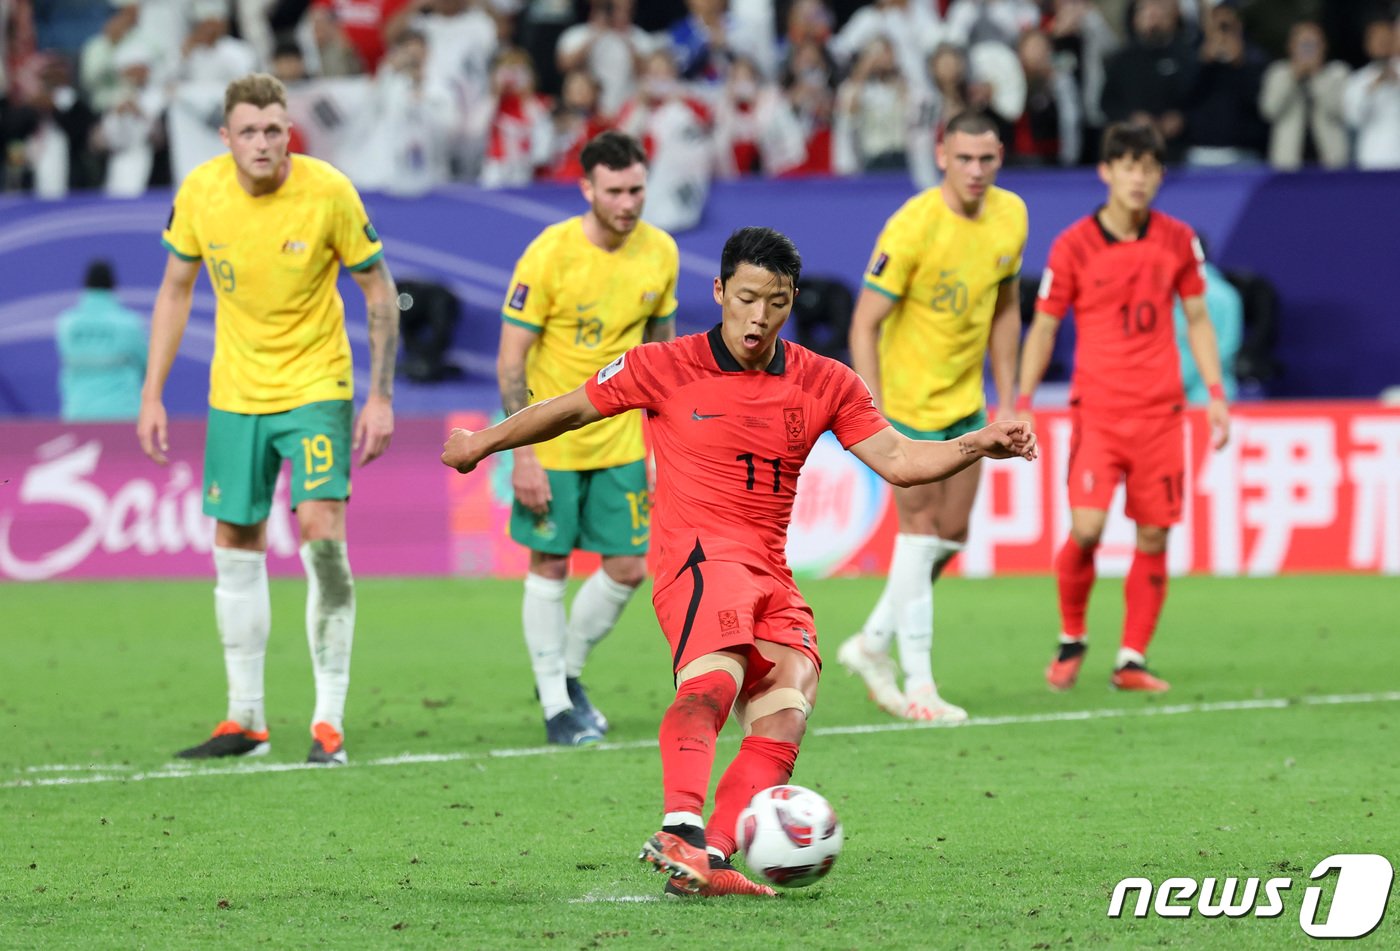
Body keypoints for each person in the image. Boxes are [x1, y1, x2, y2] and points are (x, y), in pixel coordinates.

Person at [442, 227, 1038, 897]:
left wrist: (978, 442)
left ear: (793, 301)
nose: (759, 316)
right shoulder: (662, 364)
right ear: (720, 290)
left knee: (788, 706)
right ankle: (679, 827)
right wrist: (482, 442)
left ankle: (712, 858)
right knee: (715, 679)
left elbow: (899, 460)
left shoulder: (825, 380)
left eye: (776, 302)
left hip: (769, 569)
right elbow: (572, 408)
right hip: (697, 555)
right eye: (747, 297)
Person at [137, 73, 399, 765]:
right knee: (236, 541)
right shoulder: (200, 191)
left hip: (317, 384)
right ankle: (246, 720)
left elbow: (379, 289)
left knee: (319, 533)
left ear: (290, 132)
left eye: (274, 129)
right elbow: (173, 289)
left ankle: (328, 720)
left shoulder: (328, 190)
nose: (263, 143)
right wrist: (151, 393)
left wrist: (380, 396)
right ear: (226, 138)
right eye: (249, 131)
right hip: (235, 393)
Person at [1015, 121, 1230, 694]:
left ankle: (1131, 657)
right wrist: (1022, 400)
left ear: (1160, 175)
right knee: (1086, 528)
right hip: (1100, 413)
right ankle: (1072, 636)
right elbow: (1044, 328)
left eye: (1149, 167)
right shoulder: (1073, 245)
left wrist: (1214, 394)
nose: (1139, 178)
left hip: (1161, 412)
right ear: (1106, 171)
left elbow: (1199, 318)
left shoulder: (1179, 240)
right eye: (1128, 166)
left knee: (1155, 535)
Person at [837, 110, 1027, 723]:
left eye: (987, 159)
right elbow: (864, 322)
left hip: (965, 404)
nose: (976, 171)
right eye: (964, 158)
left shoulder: (1012, 216)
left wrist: (1012, 398)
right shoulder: (913, 226)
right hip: (908, 409)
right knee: (919, 536)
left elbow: (1004, 310)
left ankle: (871, 644)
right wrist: (872, 410)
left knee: (949, 538)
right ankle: (919, 686)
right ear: (942, 155)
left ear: (1000, 159)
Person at [496, 130, 678, 747]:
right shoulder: (549, 255)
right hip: (551, 441)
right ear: (588, 189)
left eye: (637, 190)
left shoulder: (661, 253)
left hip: (623, 441)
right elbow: (511, 362)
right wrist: (522, 453)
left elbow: (662, 362)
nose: (628, 203)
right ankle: (554, 707)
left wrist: (665, 451)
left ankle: (567, 675)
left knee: (629, 568)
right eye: (616, 191)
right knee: (549, 563)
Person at [56, 259, 147, 422]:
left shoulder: (66, 324)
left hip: (77, 412)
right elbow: (147, 366)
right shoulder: (129, 323)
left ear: (85, 286)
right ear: (113, 286)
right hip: (123, 414)